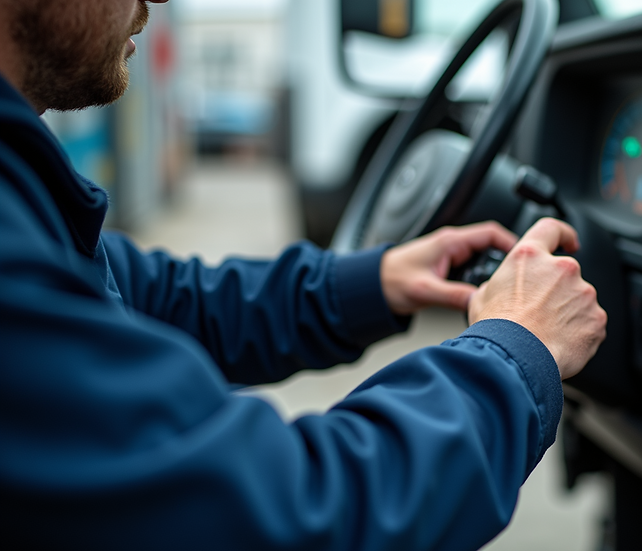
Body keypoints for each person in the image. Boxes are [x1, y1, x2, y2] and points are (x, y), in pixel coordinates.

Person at [0, 0, 608, 549]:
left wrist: (371, 282)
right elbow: (296, 515)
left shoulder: (25, 197)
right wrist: (515, 351)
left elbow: (160, 297)